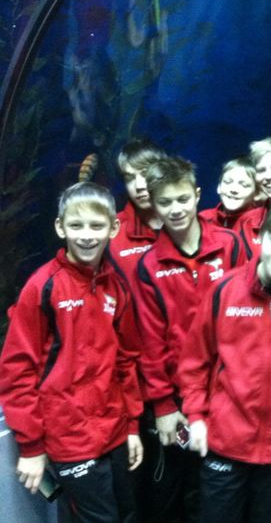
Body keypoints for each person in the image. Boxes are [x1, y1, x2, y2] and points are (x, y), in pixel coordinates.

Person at [179, 198, 271, 523]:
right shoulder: (225, 290)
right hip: (226, 440)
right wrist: (196, 416)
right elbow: (195, 360)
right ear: (260, 237)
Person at [0, 182, 143, 522]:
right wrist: (31, 447)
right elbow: (16, 371)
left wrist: (132, 427)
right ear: (60, 227)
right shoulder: (43, 286)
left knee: (128, 513)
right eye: (76, 225)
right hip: (68, 438)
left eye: (96, 225)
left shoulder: (116, 287)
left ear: (113, 228)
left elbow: (126, 361)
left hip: (115, 430)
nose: (87, 235)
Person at [134, 156, 244, 522]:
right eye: (165, 202)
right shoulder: (149, 264)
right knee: (173, 493)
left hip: (231, 390)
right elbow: (150, 341)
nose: (176, 209)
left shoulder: (230, 245)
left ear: (197, 195)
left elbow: (251, 315)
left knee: (220, 491)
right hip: (180, 397)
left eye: (182, 199)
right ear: (153, 205)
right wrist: (163, 406)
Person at [109, 138, 167, 284]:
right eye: (130, 178)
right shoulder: (113, 232)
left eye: (146, 174)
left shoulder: (186, 222)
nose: (139, 186)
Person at [199, 156, 257, 229]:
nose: (234, 189)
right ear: (219, 187)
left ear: (256, 193)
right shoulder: (203, 219)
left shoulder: (259, 224)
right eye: (227, 182)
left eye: (244, 185)